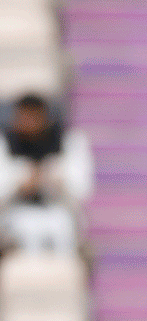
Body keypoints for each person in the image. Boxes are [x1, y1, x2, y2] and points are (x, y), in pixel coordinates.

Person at [0, 93, 95, 253]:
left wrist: (55, 178)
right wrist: (20, 183)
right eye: (24, 117)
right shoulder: (5, 143)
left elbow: (84, 190)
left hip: (58, 211)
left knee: (61, 227)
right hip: (16, 212)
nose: (29, 123)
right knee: (26, 229)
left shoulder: (69, 142)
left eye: (34, 117)